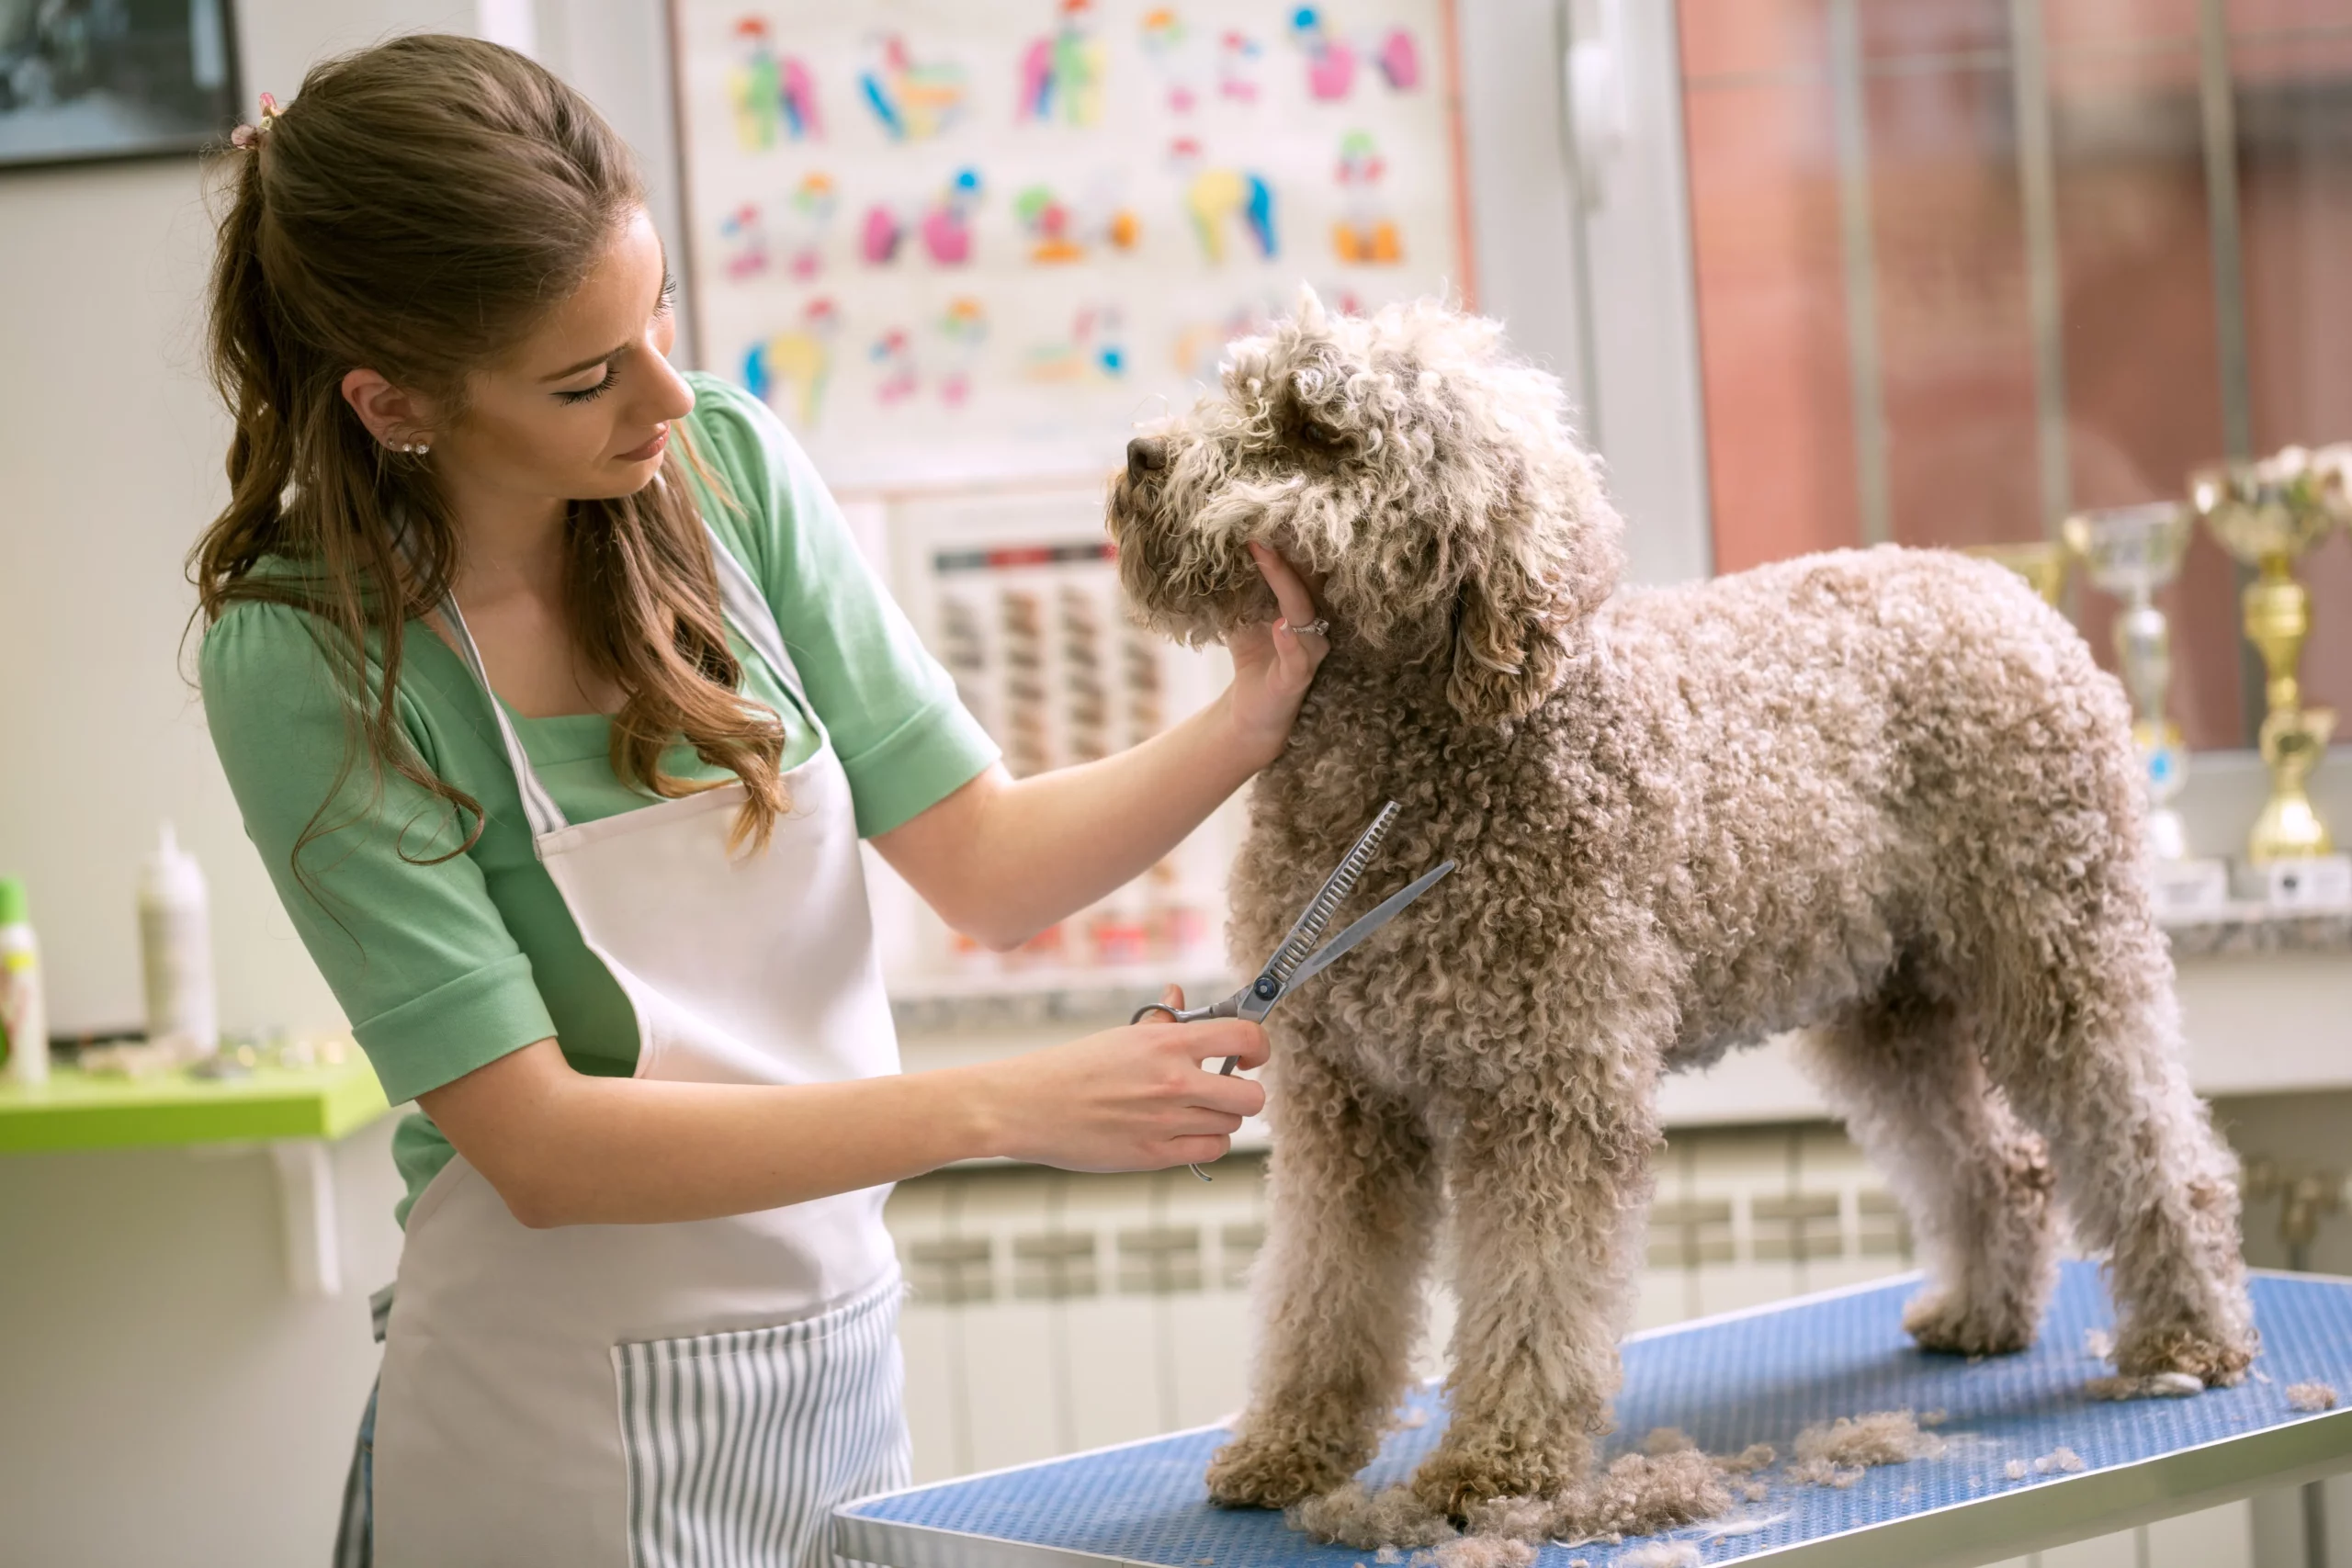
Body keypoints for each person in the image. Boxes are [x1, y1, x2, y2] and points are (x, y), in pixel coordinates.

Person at [193, 36, 1326, 1568]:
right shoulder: (305, 648)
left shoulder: (719, 469)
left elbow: (985, 864)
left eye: (656, 308)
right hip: (544, 1432)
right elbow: (538, 1143)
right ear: (396, 403)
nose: (664, 389)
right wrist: (1006, 1106)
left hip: (834, 1365)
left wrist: (1248, 719)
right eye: (587, 375)